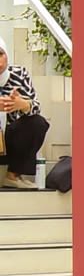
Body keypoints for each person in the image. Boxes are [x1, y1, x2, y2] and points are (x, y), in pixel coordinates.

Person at [0, 45, 46, 188]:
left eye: (0, 54)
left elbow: (36, 107)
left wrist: (23, 104)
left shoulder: (18, 74)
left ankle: (13, 175)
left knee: (37, 122)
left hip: (10, 140)